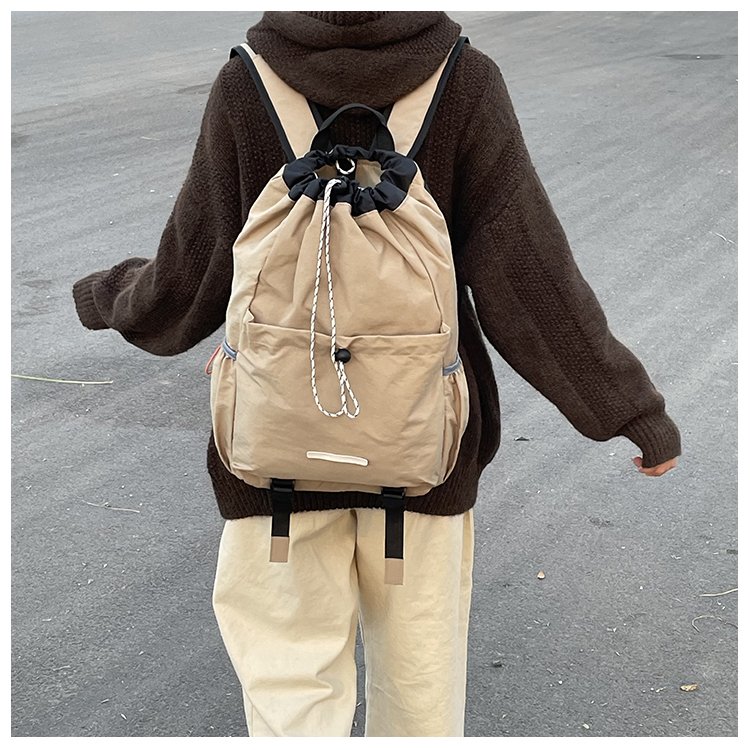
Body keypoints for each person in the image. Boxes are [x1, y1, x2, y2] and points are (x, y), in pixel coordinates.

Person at [72, 11, 681, 738]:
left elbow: (191, 272)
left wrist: (108, 295)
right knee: (420, 684)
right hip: (422, 450)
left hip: (273, 450)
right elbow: (529, 275)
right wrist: (629, 412)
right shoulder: (465, 81)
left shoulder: (246, 84)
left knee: (288, 683)